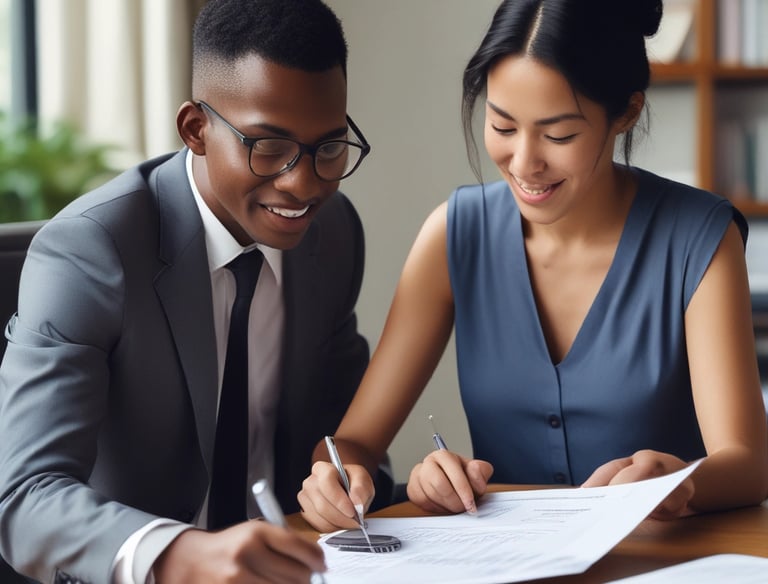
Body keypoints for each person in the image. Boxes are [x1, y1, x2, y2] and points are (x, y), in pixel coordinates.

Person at [298, 0, 768, 534]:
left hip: (664, 558)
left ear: (627, 112)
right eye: (502, 126)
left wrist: (681, 481)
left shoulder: (698, 238)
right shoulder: (454, 234)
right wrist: (341, 477)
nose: (524, 163)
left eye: (559, 135)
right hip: (509, 564)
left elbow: (748, 465)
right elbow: (354, 443)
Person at [0, 0, 391, 582]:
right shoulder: (90, 252)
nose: (303, 183)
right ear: (195, 129)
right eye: (268, 146)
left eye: (328, 148)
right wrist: (181, 554)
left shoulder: (332, 235)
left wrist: (349, 477)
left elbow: (344, 435)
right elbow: (22, 498)